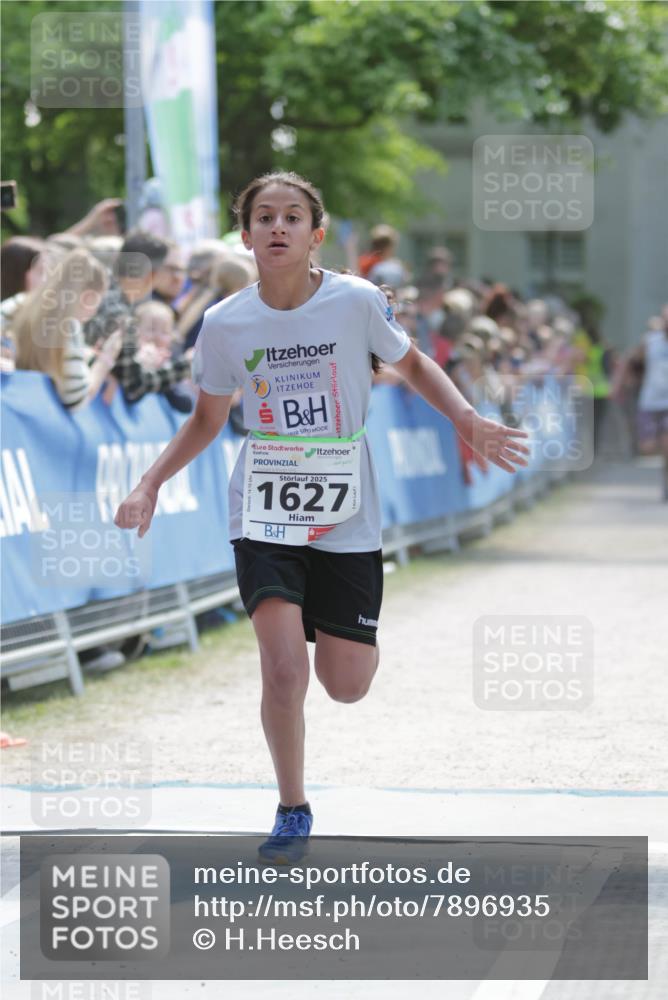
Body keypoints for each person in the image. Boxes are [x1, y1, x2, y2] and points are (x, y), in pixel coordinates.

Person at [113, 171, 528, 863]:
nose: (278, 227)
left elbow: (417, 364)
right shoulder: (224, 323)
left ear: (316, 231)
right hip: (266, 508)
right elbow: (208, 419)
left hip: (345, 509)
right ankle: (292, 806)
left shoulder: (357, 302)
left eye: (293, 216)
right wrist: (151, 481)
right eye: (265, 218)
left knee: (346, 685)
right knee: (282, 671)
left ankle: (324, 621)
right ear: (244, 236)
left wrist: (468, 420)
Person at [13, 247, 122, 411]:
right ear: (89, 297)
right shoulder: (69, 327)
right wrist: (104, 361)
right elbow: (75, 399)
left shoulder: (19, 304)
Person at [612, 304, 668, 499]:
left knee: (666, 442)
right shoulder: (651, 342)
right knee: (648, 447)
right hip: (650, 401)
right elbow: (629, 360)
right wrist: (618, 385)